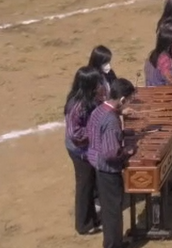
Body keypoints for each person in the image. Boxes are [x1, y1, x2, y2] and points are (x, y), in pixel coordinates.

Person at [88, 78, 136, 248]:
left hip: (96, 164)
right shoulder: (111, 121)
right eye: (128, 100)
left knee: (109, 210)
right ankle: (114, 245)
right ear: (122, 100)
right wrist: (127, 152)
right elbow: (110, 153)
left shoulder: (99, 110)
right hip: (108, 170)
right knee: (113, 211)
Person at [63, 66, 103, 236]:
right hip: (80, 151)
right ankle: (83, 224)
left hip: (88, 148)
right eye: (97, 83)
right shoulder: (77, 106)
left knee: (90, 183)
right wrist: (96, 131)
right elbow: (75, 134)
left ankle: (92, 217)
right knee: (84, 186)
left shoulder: (89, 98)